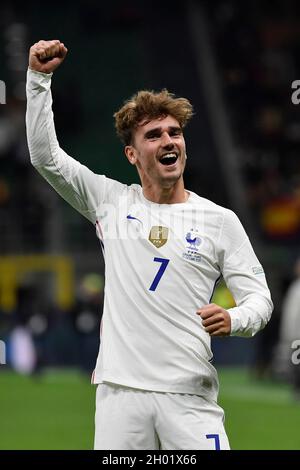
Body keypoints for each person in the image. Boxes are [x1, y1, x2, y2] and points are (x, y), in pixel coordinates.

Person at [26, 40, 273, 450]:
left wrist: (235, 319)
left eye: (175, 133)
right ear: (132, 154)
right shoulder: (110, 203)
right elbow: (45, 157)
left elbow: (260, 299)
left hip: (189, 394)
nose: (169, 141)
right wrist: (39, 79)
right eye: (154, 135)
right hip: (121, 397)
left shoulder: (220, 220)